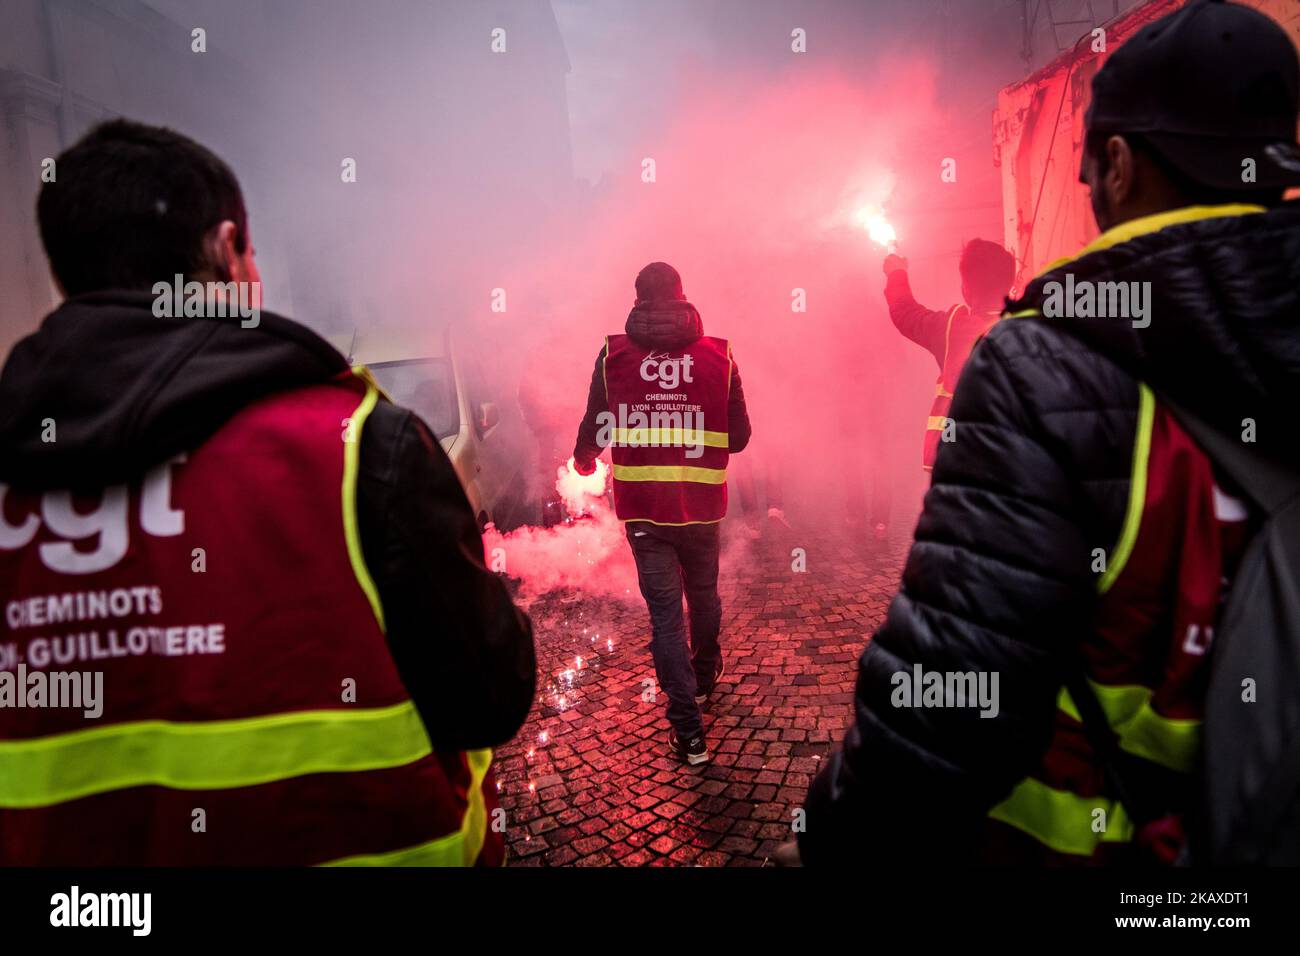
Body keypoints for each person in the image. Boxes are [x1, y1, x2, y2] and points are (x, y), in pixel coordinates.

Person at [792, 0, 1300, 865]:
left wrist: (838, 835)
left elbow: (957, 686)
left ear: (1116, 161)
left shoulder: (1045, 360)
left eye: (1082, 165)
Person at [0, 119, 535, 866]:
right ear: (226, 250)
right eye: (249, 251)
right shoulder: (360, 445)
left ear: (66, 275)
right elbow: (491, 695)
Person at [572, 261, 751, 765]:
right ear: (681, 296)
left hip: (647, 515)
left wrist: (585, 457)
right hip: (701, 508)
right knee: (705, 595)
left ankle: (689, 735)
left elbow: (598, 426)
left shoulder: (614, 356)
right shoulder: (720, 356)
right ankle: (706, 671)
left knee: (666, 620)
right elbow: (739, 438)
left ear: (637, 300)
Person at [882, 238, 1015, 472]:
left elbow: (904, 312)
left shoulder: (954, 330)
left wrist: (897, 274)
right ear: (1011, 282)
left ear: (965, 289)